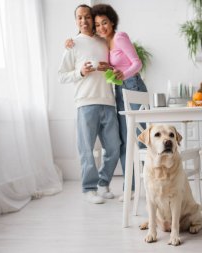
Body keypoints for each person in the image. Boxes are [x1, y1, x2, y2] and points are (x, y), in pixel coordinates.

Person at [65, 4, 148, 201]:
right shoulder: (96, 42)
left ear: (112, 21)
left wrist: (119, 72)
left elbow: (136, 64)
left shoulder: (117, 37)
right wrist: (105, 67)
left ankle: (137, 186)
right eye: (97, 24)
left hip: (127, 88)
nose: (100, 27)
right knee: (121, 143)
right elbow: (113, 65)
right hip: (112, 92)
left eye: (104, 22)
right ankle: (116, 187)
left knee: (132, 140)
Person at [58, 4, 121, 204]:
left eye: (87, 17)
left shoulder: (103, 41)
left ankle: (103, 184)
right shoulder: (73, 44)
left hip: (108, 102)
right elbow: (61, 76)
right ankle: (88, 189)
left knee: (113, 147)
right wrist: (80, 73)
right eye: (79, 18)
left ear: (92, 19)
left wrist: (108, 68)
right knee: (86, 149)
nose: (84, 21)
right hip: (85, 103)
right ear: (76, 21)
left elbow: (115, 67)